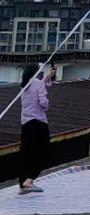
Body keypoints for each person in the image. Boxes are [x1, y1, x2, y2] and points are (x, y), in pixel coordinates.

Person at [18, 62, 54, 194]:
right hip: (38, 122)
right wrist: (47, 106)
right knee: (42, 151)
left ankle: (23, 183)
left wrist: (49, 76)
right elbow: (43, 102)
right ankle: (30, 179)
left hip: (26, 123)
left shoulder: (24, 85)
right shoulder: (38, 84)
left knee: (26, 152)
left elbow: (38, 84)